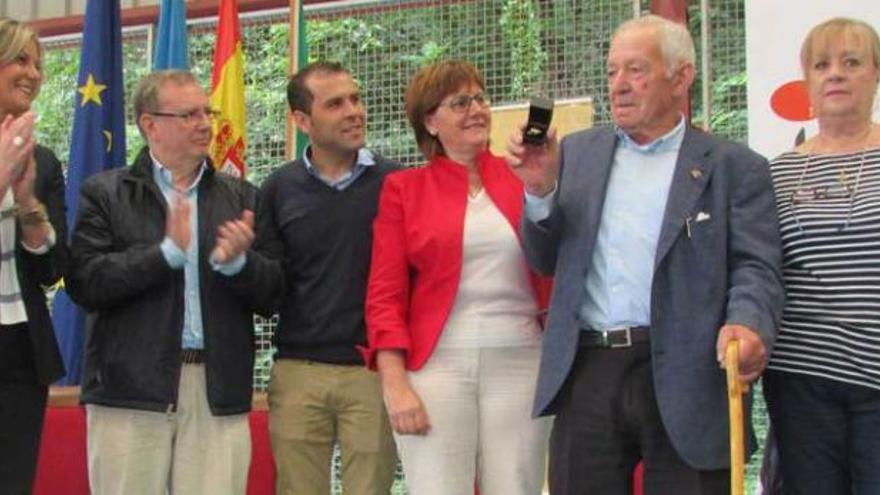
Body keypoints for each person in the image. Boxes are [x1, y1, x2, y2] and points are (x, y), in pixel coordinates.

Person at [506, 15, 784, 494]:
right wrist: (540, 189)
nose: (619, 86)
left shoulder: (734, 166)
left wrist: (749, 322)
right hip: (588, 368)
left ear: (681, 77)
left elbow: (755, 266)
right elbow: (544, 260)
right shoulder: (574, 154)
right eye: (612, 71)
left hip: (688, 369)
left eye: (636, 71)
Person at [67, 70, 281, 495]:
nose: (205, 123)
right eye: (189, 115)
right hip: (130, 390)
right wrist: (163, 255)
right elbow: (85, 282)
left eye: (207, 112)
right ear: (150, 124)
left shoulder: (243, 197)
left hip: (217, 388)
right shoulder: (106, 193)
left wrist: (239, 265)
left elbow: (276, 292)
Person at [363, 59, 553, 495]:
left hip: (524, 362)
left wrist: (543, 185)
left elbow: (558, 252)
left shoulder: (522, 175)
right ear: (430, 121)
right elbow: (384, 296)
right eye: (460, 102)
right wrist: (395, 385)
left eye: (481, 98)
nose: (477, 110)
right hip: (437, 369)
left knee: (518, 487)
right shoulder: (403, 190)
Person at [255, 61, 398, 495]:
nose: (354, 111)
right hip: (299, 371)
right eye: (336, 103)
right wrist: (237, 264)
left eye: (356, 99)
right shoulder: (277, 189)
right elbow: (268, 292)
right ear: (301, 121)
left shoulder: (396, 183)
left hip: (373, 372)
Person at [763, 17, 880, 494]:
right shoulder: (776, 173)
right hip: (801, 380)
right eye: (822, 64)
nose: (836, 74)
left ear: (875, 74)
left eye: (851, 62)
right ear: (806, 81)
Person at [0, 17, 68, 494]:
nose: (34, 73)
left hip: (21, 348)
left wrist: (27, 205)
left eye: (39, 64)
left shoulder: (42, 159)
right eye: (21, 59)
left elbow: (51, 268)